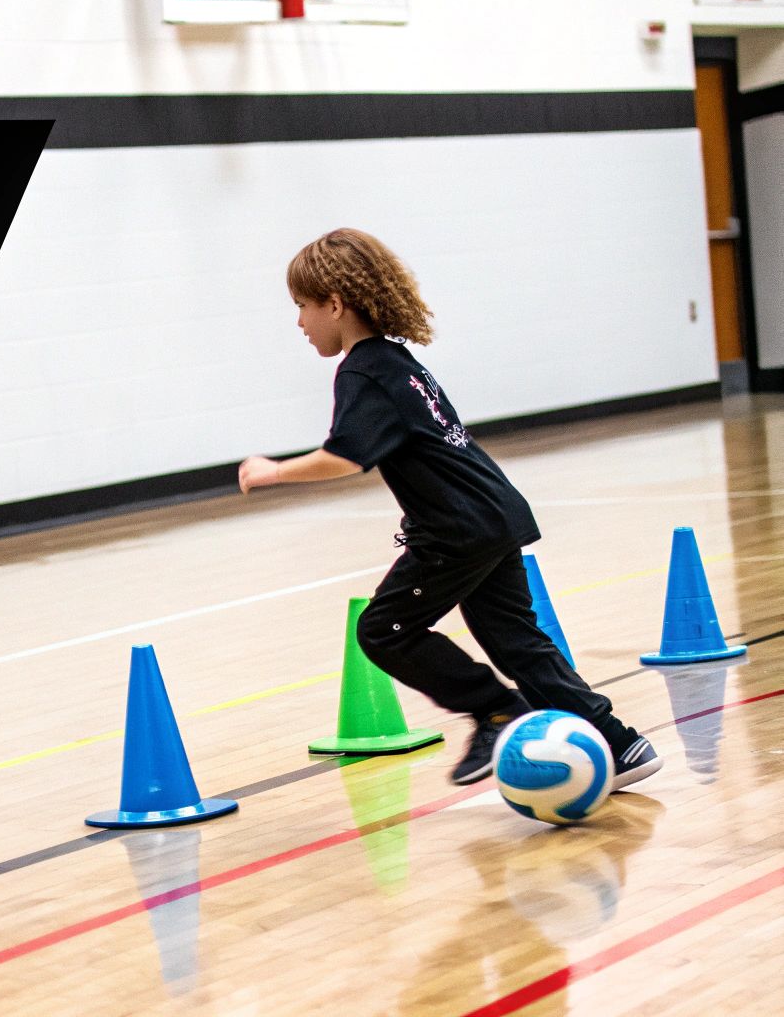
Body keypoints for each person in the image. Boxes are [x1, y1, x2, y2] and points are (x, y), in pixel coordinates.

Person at [238, 228, 661, 789]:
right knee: (518, 643)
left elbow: (345, 457)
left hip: (458, 530)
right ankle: (620, 742)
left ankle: (496, 711)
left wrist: (273, 472)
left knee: (384, 630)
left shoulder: (363, 369)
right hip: (492, 512)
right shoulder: (398, 361)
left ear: (335, 304)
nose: (298, 323)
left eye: (302, 307)